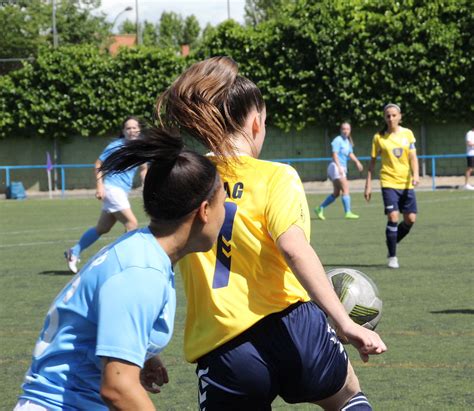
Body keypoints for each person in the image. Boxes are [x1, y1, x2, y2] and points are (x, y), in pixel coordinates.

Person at [156, 56, 386, 410]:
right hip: (295, 330)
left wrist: (143, 348)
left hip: (223, 346)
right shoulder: (277, 175)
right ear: (255, 124)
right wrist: (345, 323)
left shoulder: (190, 179)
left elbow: (159, 262)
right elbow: (294, 249)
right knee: (347, 398)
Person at [15, 128, 227, 411]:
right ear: (204, 211)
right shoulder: (141, 271)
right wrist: (125, 373)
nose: (226, 213)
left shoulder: (141, 249)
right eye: (224, 203)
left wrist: (143, 352)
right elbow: (117, 388)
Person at [65, 116, 148, 273]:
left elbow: (143, 168)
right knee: (132, 224)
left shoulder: (141, 148)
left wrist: (145, 183)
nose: (132, 131)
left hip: (121, 191)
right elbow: (98, 164)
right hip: (112, 189)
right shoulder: (116, 146)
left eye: (134, 127)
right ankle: (122, 261)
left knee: (102, 228)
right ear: (123, 131)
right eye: (128, 128)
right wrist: (99, 186)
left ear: (139, 129)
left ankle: (73, 252)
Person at [364, 103, 419, 269]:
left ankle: (392, 240)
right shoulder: (379, 138)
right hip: (388, 182)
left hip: (406, 183)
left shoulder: (408, 134)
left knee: (410, 219)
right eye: (388, 115)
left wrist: (416, 174)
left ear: (400, 116)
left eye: (394, 115)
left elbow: (413, 157)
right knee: (393, 217)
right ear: (384, 117)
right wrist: (368, 185)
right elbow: (372, 164)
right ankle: (393, 256)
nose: (391, 118)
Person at [315, 122, 364, 220]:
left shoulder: (347, 142)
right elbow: (335, 155)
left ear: (350, 131)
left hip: (340, 167)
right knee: (345, 188)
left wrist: (357, 162)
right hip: (336, 166)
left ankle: (319, 208)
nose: (345, 131)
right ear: (340, 130)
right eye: (343, 129)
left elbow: (350, 153)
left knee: (336, 193)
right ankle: (348, 212)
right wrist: (339, 168)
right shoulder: (337, 140)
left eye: (347, 129)